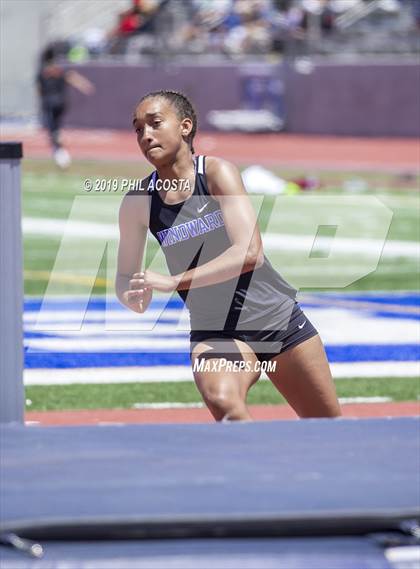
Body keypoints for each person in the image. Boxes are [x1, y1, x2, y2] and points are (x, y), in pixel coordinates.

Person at [115, 90, 341, 422]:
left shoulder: (217, 173)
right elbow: (124, 277)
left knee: (329, 430)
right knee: (224, 402)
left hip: (275, 318)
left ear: (185, 126)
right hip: (213, 329)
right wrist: (131, 294)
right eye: (137, 129)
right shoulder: (137, 202)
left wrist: (176, 281)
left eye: (155, 124)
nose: (145, 135)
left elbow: (250, 253)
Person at [36, 46, 95, 169]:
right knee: (55, 128)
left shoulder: (43, 73)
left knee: (53, 131)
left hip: (50, 104)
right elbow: (72, 77)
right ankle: (59, 149)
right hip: (61, 103)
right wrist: (85, 86)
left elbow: (39, 91)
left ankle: (61, 154)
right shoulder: (59, 70)